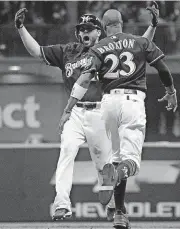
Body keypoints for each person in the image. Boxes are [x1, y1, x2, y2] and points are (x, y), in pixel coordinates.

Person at [14, 4, 159, 223]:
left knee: (104, 165)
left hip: (100, 112)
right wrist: (21, 28)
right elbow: (37, 51)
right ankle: (62, 205)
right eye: (81, 29)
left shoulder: (106, 47)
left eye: (89, 28)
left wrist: (153, 26)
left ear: (99, 31)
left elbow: (139, 46)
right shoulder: (67, 51)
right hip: (75, 114)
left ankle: (113, 205)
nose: (84, 32)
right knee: (67, 152)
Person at [59, 8, 177, 229]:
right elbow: (161, 68)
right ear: (122, 23)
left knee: (116, 158)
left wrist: (68, 109)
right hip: (132, 102)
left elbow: (84, 80)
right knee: (130, 161)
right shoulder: (138, 42)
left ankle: (120, 213)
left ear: (103, 28)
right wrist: (171, 91)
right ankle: (119, 174)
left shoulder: (98, 47)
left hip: (108, 104)